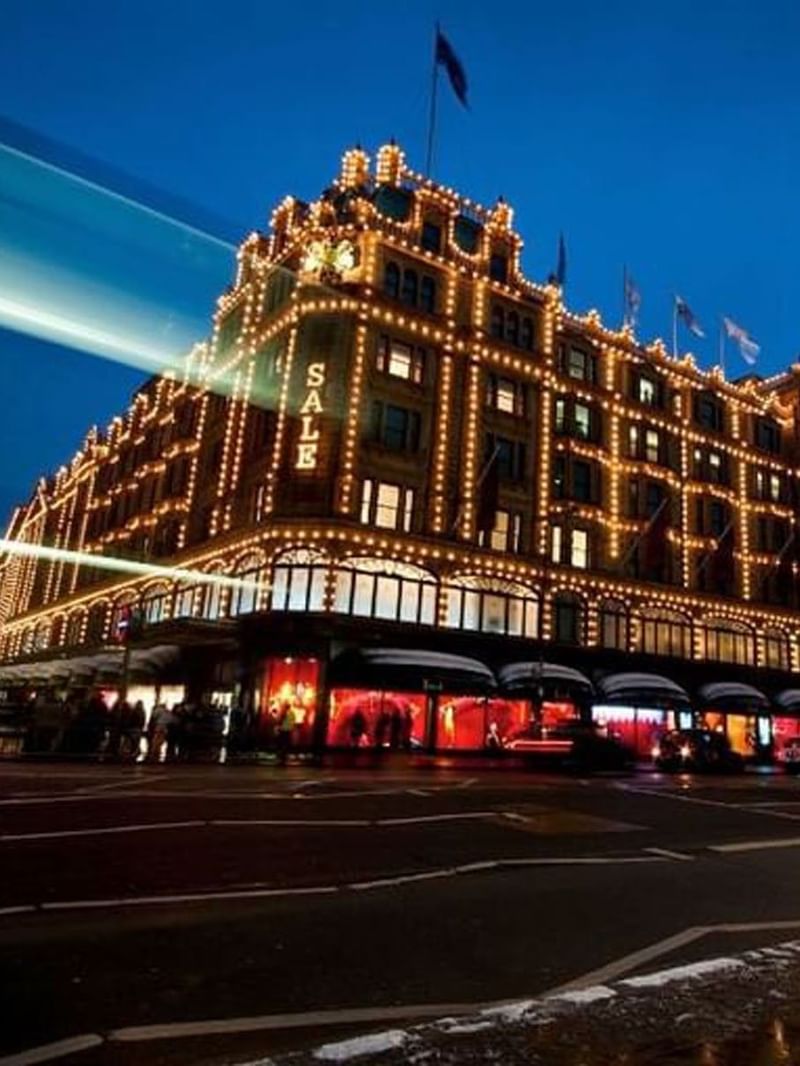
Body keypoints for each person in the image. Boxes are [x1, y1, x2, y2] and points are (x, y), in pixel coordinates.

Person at [276, 701, 295, 766]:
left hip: (283, 730)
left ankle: (281, 757)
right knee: (286, 744)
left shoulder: (284, 712)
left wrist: (278, 727)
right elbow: (293, 721)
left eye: (284, 706)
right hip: (289, 730)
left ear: (286, 707)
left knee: (281, 743)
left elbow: (280, 720)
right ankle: (284, 757)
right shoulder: (292, 713)